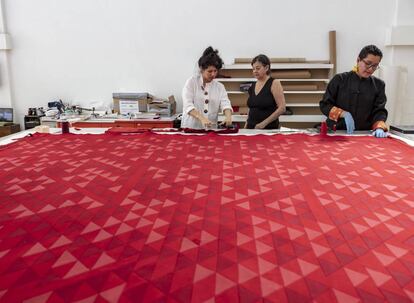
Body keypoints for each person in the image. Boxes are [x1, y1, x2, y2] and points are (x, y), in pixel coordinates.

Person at [319, 45, 388, 138]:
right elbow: (325, 105)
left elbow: (379, 111)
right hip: (336, 131)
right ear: (358, 60)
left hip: (363, 134)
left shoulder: (379, 85)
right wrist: (343, 114)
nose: (371, 69)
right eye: (368, 63)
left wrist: (379, 127)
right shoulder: (339, 79)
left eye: (375, 66)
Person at [181, 46, 232, 129]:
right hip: (191, 128)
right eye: (210, 71)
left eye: (215, 71)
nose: (213, 74)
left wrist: (228, 116)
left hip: (210, 129)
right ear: (201, 69)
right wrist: (202, 118)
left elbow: (225, 103)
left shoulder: (219, 87)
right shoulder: (191, 82)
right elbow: (188, 105)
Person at [245, 54, 286, 129]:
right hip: (251, 128)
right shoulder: (252, 86)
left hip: (268, 129)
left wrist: (263, 124)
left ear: (266, 68)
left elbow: (282, 108)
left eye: (258, 68)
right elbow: (251, 109)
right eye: (253, 69)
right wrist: (246, 126)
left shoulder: (274, 83)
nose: (255, 71)